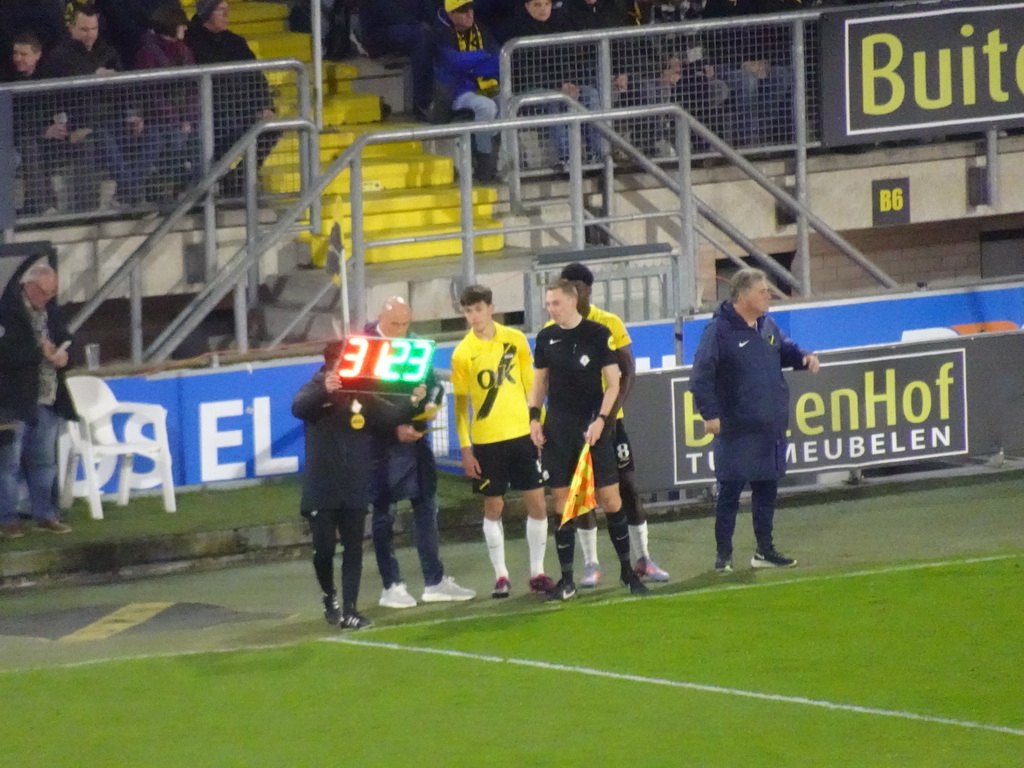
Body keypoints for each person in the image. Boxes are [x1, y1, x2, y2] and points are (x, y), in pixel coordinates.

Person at [689, 267, 820, 572]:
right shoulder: (718, 332)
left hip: (770, 427)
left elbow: (784, 350)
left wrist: (803, 357)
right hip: (736, 429)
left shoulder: (767, 325)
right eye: (763, 291)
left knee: (767, 489)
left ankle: (764, 551)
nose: (768, 295)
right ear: (744, 295)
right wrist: (709, 414)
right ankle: (724, 556)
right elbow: (700, 377)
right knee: (730, 493)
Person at [528, 279, 648, 600]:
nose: (550, 309)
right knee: (565, 504)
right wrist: (534, 419)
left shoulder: (597, 335)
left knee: (610, 500)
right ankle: (567, 581)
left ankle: (627, 573)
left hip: (594, 430)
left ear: (571, 302)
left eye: (555, 303)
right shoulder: (545, 338)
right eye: (548, 304)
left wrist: (602, 420)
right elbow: (539, 382)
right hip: (558, 430)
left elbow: (613, 383)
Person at [292, 340, 424, 629]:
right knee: (324, 550)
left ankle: (351, 609)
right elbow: (298, 408)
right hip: (322, 486)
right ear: (331, 363)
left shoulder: (361, 393)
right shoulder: (314, 388)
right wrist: (325, 390)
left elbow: (389, 417)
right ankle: (330, 597)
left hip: (354, 483)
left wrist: (411, 401)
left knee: (353, 548)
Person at [558, 263, 669, 586]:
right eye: (568, 288)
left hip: (609, 425)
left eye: (577, 288)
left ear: (589, 290)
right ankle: (591, 564)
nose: (573, 294)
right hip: (576, 426)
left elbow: (628, 371)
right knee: (582, 493)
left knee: (627, 486)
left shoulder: (609, 323)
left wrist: (608, 416)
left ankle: (643, 558)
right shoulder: (558, 327)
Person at [366, 297, 477, 607]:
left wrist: (429, 405)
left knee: (426, 506)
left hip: (417, 441)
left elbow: (433, 385)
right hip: (379, 445)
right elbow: (362, 401)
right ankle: (392, 585)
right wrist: (393, 429)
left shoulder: (416, 345)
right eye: (394, 325)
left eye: (405, 324)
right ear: (380, 318)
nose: (401, 331)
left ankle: (435, 580)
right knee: (383, 515)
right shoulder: (365, 347)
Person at [451, 285, 554, 598]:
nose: (473, 317)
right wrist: (466, 450)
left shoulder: (516, 340)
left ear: (490, 308)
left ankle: (537, 572)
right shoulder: (462, 354)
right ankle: (501, 575)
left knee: (536, 503)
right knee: (493, 506)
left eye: (478, 309)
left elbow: (531, 386)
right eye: (468, 311)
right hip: (487, 442)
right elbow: (460, 408)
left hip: (522, 435)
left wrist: (539, 424)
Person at [40, 2, 163, 207]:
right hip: (80, 125)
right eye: (84, 29)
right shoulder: (58, 56)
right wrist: (94, 76)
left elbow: (124, 88)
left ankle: (126, 194)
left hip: (112, 121)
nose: (90, 34)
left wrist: (134, 115)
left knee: (154, 136)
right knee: (101, 136)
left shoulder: (107, 51)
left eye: (94, 29)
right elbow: (58, 98)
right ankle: (132, 195)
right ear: (71, 29)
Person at [0, 261, 76, 539]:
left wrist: (65, 356)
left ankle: (45, 514)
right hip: (14, 400)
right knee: (8, 463)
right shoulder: (7, 313)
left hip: (48, 396)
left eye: (51, 292)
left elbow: (67, 338)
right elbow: (5, 354)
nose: (47, 298)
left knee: (44, 462)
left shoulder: (52, 312)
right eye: (43, 292)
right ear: (27, 285)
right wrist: (38, 352)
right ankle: (7, 519)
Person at [185, 0, 279, 197]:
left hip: (242, 108)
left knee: (271, 128)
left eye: (228, 10)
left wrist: (264, 105)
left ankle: (238, 178)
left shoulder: (236, 42)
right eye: (221, 11)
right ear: (207, 13)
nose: (227, 15)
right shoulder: (190, 41)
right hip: (210, 111)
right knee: (228, 127)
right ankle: (216, 179)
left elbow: (256, 77)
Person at [506, 0, 603, 173]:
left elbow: (573, 60)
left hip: (562, 85)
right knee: (553, 100)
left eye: (546, 4)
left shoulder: (562, 25)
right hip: (529, 88)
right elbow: (525, 71)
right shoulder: (516, 30)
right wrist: (556, 87)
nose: (543, 9)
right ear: (527, 6)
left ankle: (597, 154)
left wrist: (570, 82)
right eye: (537, 5)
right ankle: (567, 159)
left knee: (591, 94)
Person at [431, 0, 501, 182]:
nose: (469, 14)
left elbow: (497, 60)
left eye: (470, 9)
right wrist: (481, 55)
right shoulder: (439, 32)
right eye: (463, 11)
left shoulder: (482, 29)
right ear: (451, 14)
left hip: (484, 85)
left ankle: (495, 160)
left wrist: (471, 65)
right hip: (456, 92)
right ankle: (484, 162)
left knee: (507, 103)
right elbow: (453, 62)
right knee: (486, 107)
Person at [134, 2, 200, 196]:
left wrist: (188, 117)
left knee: (202, 136)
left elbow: (193, 87)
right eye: (182, 23)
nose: (185, 27)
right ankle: (170, 186)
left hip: (184, 117)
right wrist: (177, 120)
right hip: (159, 119)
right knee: (172, 137)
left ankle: (196, 189)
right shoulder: (148, 52)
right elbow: (153, 93)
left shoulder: (184, 50)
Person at [358, 0, 435, 120]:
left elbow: (427, 10)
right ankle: (423, 103)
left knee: (439, 31)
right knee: (422, 36)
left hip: (412, 28)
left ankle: (454, 97)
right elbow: (386, 11)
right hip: (380, 31)